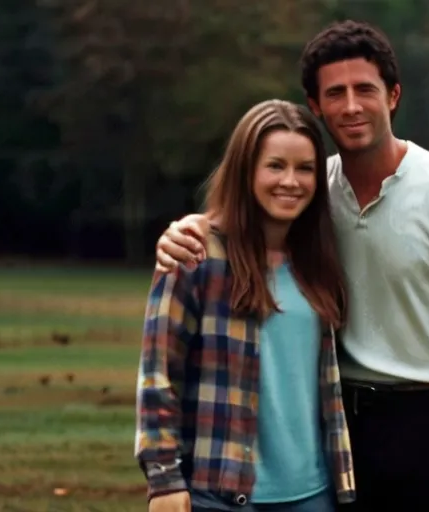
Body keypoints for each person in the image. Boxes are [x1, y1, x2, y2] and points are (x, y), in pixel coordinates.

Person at [153, 20, 429, 512]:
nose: (350, 106)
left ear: (393, 95)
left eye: (365, 89)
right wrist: (189, 227)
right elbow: (246, 213)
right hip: (344, 428)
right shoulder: (313, 192)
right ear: (315, 106)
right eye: (335, 93)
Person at [134, 99, 356, 512]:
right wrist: (164, 479)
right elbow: (158, 376)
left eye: (305, 168)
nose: (291, 181)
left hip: (315, 495)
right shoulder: (196, 254)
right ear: (246, 169)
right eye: (275, 165)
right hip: (220, 495)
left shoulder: (320, 264)